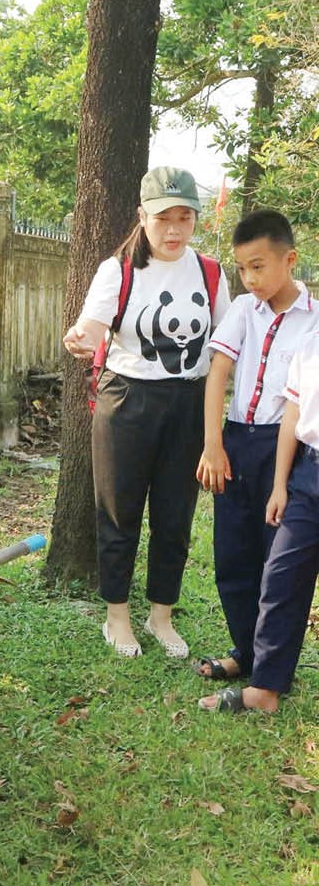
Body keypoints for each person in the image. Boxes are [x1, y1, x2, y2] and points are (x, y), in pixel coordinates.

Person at [63, 167, 231, 658]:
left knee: (176, 513)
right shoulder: (117, 270)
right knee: (119, 511)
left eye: (185, 217)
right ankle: (117, 616)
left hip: (188, 402)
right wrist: (79, 340)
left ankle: (162, 615)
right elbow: (91, 328)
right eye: (163, 218)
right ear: (143, 216)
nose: (174, 229)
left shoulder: (211, 272)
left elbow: (225, 344)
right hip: (127, 400)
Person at [195, 209, 319, 683]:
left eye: (259, 266)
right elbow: (219, 373)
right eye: (242, 268)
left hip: (285, 450)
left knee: (279, 566)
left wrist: (283, 478)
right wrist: (212, 444)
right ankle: (245, 652)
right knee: (232, 556)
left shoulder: (313, 321)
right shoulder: (244, 310)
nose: (250, 278)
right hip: (234, 442)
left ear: (289, 259)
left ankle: (271, 669)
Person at [199, 326, 319, 713]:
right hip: (308, 473)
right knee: (281, 575)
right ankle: (265, 689)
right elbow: (294, 413)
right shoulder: (311, 340)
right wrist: (282, 485)